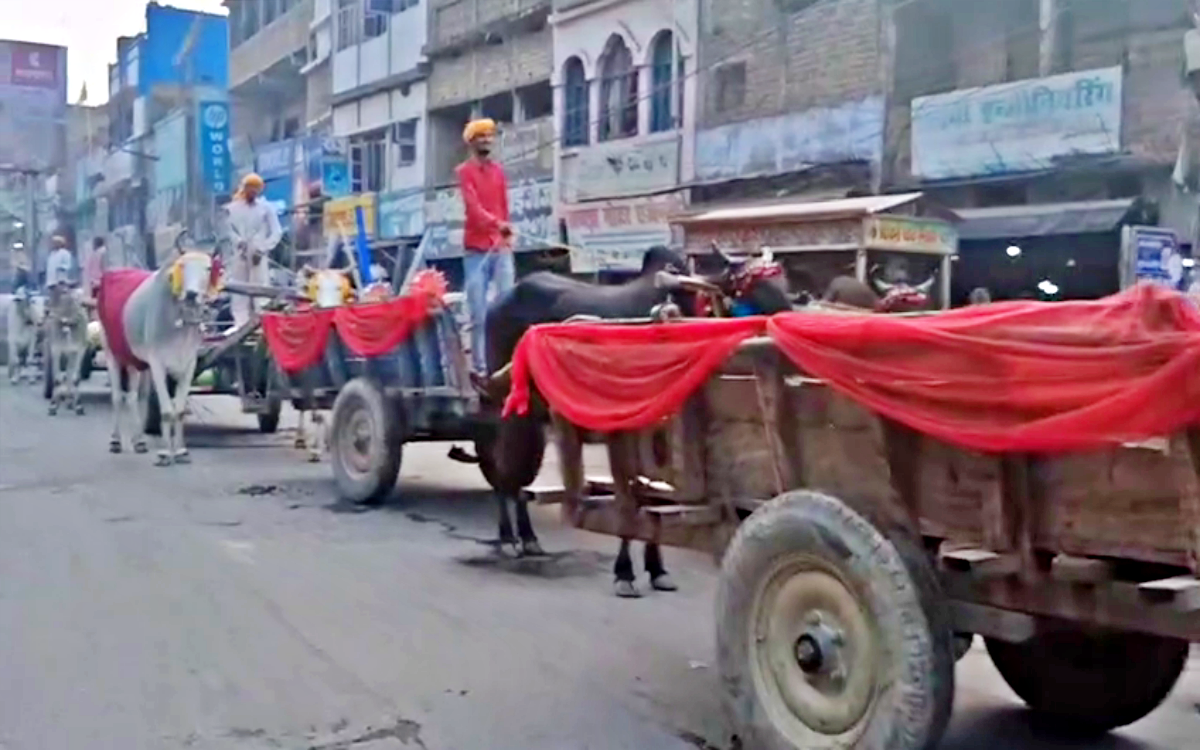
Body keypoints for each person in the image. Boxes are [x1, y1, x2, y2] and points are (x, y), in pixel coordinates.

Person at [456, 117, 514, 373]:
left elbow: (504, 206)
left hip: (500, 248)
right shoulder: (464, 172)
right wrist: (496, 224)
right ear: (472, 142)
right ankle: (481, 369)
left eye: (489, 136)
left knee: (508, 308)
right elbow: (473, 208)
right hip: (476, 250)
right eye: (481, 137)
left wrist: (506, 233)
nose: (487, 141)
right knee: (479, 315)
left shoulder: (499, 172)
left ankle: (506, 365)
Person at [226, 173, 283, 327]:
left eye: (256, 189)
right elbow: (227, 230)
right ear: (244, 189)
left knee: (260, 288)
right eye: (250, 188)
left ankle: (261, 323)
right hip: (239, 255)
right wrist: (238, 243)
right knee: (239, 289)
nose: (253, 192)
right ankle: (240, 324)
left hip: (258, 254)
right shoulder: (232, 209)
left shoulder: (266, 208)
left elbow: (277, 231)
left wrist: (263, 249)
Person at [83, 236, 107, 302]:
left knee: (97, 303)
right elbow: (105, 267)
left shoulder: (93, 254)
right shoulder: (104, 252)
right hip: (103, 282)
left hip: (94, 283)